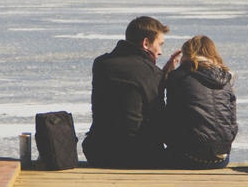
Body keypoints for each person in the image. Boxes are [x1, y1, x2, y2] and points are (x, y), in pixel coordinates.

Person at [82, 16, 181, 168]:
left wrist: (160, 75)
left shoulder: (101, 64)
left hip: (99, 152)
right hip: (138, 155)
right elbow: (158, 119)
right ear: (146, 43)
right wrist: (163, 78)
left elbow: (132, 81)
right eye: (159, 44)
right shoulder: (151, 74)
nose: (160, 52)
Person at [163, 35, 237, 169]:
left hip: (187, 157)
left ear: (187, 54)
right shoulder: (226, 80)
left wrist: (167, 75)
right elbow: (232, 122)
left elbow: (170, 117)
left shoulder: (179, 77)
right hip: (221, 158)